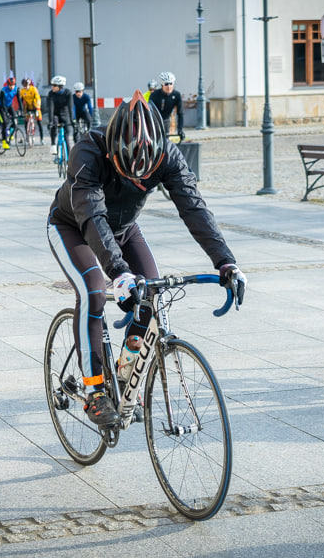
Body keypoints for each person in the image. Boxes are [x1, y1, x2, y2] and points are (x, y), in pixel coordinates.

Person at [46, 91, 247, 426]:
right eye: (128, 175)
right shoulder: (87, 152)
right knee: (94, 290)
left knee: (151, 296)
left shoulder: (168, 154)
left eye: (143, 178)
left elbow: (193, 207)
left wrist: (226, 262)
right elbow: (93, 219)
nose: (137, 182)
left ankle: (125, 373)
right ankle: (94, 391)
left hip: (123, 228)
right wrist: (119, 272)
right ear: (112, 151)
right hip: (73, 227)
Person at [148, 72, 184, 140]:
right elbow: (150, 111)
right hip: (154, 120)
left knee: (165, 142)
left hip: (165, 120)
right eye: (166, 84)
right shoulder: (154, 95)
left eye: (171, 83)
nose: (169, 86)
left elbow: (180, 114)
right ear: (162, 85)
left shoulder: (176, 95)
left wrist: (180, 130)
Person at [47, 75, 74, 155]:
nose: (52, 87)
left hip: (65, 115)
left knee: (66, 138)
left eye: (54, 85)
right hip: (55, 114)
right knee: (54, 124)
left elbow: (70, 107)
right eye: (52, 85)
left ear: (60, 86)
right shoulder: (51, 94)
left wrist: (72, 120)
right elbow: (50, 109)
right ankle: (53, 144)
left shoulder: (68, 93)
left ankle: (69, 159)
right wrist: (50, 121)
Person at [19, 78, 43, 144]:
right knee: (26, 121)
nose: (25, 86)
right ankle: (27, 137)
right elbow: (20, 100)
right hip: (27, 107)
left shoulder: (34, 89)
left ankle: (42, 138)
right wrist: (20, 109)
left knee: (39, 122)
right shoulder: (22, 91)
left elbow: (38, 98)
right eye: (24, 85)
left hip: (35, 106)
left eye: (26, 85)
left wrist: (38, 108)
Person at [0, 77, 19, 150]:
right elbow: (3, 103)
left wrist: (21, 110)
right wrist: (6, 113)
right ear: (8, 85)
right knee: (5, 122)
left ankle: (10, 133)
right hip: (1, 107)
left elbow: (19, 100)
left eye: (13, 85)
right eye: (10, 85)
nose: (12, 87)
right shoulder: (3, 91)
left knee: (15, 120)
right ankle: (4, 142)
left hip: (9, 106)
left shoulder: (16, 89)